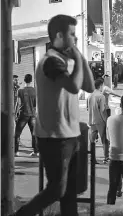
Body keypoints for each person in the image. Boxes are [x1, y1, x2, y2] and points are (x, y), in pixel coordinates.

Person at [13, 14, 95, 216]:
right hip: (54, 137)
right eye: (72, 34)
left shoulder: (66, 61)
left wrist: (81, 58)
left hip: (72, 135)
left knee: (70, 193)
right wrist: (76, 57)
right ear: (59, 35)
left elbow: (90, 86)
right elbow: (75, 87)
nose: (75, 39)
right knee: (57, 189)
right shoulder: (51, 62)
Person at [14, 74, 38, 157]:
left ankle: (16, 151)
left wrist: (15, 114)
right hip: (32, 114)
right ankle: (36, 151)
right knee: (34, 133)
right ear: (31, 80)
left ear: (24, 80)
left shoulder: (20, 91)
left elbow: (18, 103)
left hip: (23, 114)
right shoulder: (34, 91)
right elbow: (35, 104)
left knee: (17, 133)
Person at [87, 78, 109, 164]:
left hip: (92, 120)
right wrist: (106, 121)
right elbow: (102, 110)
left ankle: (92, 158)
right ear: (101, 86)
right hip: (100, 120)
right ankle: (106, 158)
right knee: (104, 140)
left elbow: (88, 108)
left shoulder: (90, 95)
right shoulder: (101, 96)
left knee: (92, 140)